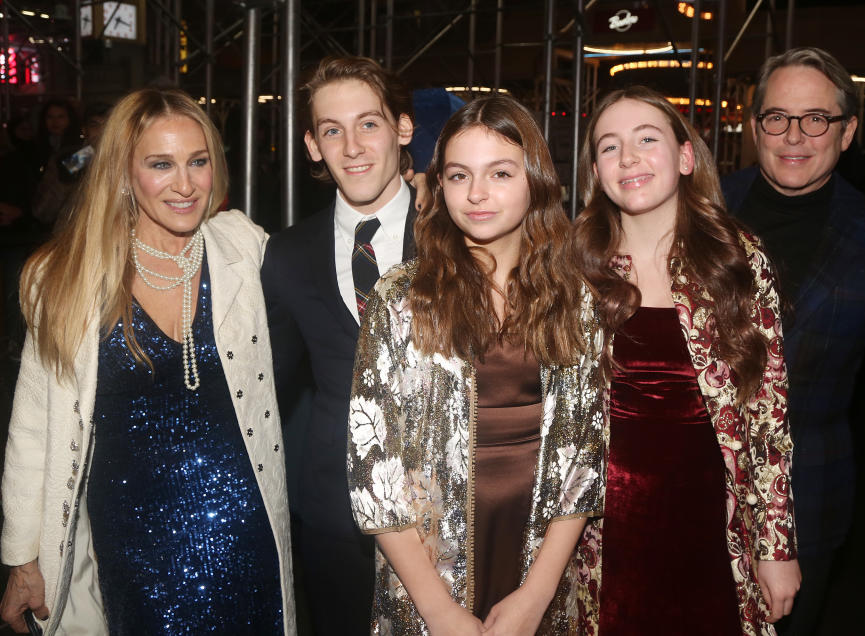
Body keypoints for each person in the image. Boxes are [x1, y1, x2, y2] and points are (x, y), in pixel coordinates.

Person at [0, 87, 294, 634]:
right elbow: (33, 428)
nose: (185, 185)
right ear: (122, 173)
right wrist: (21, 558)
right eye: (161, 165)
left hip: (247, 536)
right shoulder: (63, 278)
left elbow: (322, 277)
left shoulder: (242, 248)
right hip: (131, 549)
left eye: (198, 162)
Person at [722, 47, 865, 634]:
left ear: (848, 131)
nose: (794, 136)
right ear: (755, 128)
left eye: (817, 119)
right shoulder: (698, 210)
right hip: (678, 485)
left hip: (808, 502)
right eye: (777, 117)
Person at [346, 95, 605, 635]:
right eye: (460, 175)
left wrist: (537, 596)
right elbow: (375, 476)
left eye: (500, 173)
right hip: (427, 572)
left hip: (540, 553)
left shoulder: (573, 299)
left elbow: (585, 458)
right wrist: (440, 614)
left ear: (533, 178)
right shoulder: (401, 299)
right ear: (440, 186)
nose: (477, 194)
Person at [571, 86, 799, 635]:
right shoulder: (574, 267)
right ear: (596, 172)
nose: (628, 157)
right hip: (598, 532)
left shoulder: (736, 260)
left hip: (713, 529)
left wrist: (776, 546)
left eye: (646, 139)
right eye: (609, 146)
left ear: (686, 156)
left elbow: (768, 414)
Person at [259, 55, 418, 635]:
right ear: (312, 145)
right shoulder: (287, 255)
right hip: (334, 515)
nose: (352, 146)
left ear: (402, 128)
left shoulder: (462, 233)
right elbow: (267, 383)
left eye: (369, 124)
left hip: (449, 509)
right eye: (332, 130)